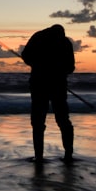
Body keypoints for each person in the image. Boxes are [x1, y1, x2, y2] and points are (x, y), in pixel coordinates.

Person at [21, 24, 76, 164]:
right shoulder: (65, 42)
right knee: (62, 120)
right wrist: (59, 70)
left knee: (39, 122)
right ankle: (68, 154)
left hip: (39, 84)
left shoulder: (38, 37)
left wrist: (38, 65)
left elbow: (25, 56)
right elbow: (71, 67)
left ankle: (39, 156)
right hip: (56, 85)